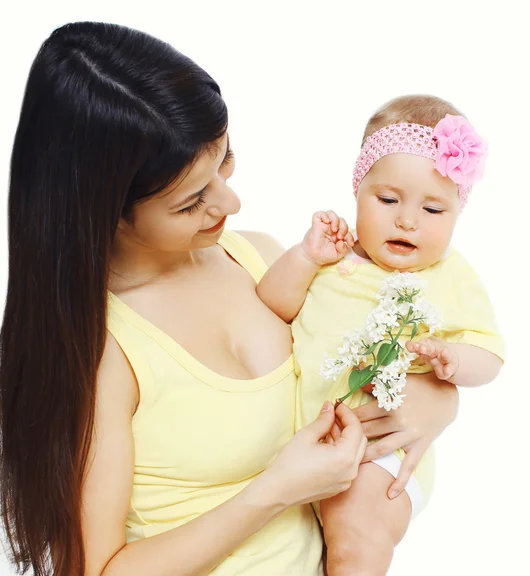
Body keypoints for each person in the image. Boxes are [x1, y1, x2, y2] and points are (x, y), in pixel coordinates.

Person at [0, 24, 459, 576]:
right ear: (105, 210)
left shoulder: (264, 261)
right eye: (193, 199)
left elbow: (369, 364)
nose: (231, 201)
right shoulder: (101, 353)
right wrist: (275, 490)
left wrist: (436, 404)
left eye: (225, 161)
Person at [257, 95, 505, 575]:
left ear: (458, 214)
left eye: (434, 210)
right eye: (388, 200)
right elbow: (273, 305)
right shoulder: (335, 256)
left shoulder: (450, 276)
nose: (407, 220)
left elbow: (491, 355)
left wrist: (452, 358)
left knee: (355, 541)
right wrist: (306, 258)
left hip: (380, 452)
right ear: (357, 191)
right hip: (300, 442)